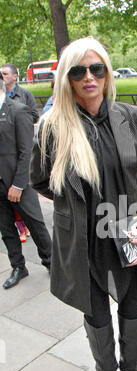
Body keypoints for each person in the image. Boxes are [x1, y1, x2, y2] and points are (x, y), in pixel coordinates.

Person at [30, 37, 137, 371]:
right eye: (78, 71)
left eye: (97, 69)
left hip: (131, 238)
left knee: (134, 312)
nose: (89, 77)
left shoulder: (131, 117)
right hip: (84, 243)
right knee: (98, 318)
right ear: (67, 80)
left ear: (107, 73)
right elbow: (39, 180)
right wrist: (75, 207)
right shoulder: (52, 128)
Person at [0, 71, 52, 289]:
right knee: (6, 229)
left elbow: (26, 151)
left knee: (36, 225)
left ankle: (52, 263)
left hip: (18, 183)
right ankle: (18, 266)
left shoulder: (17, 111)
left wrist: (18, 184)